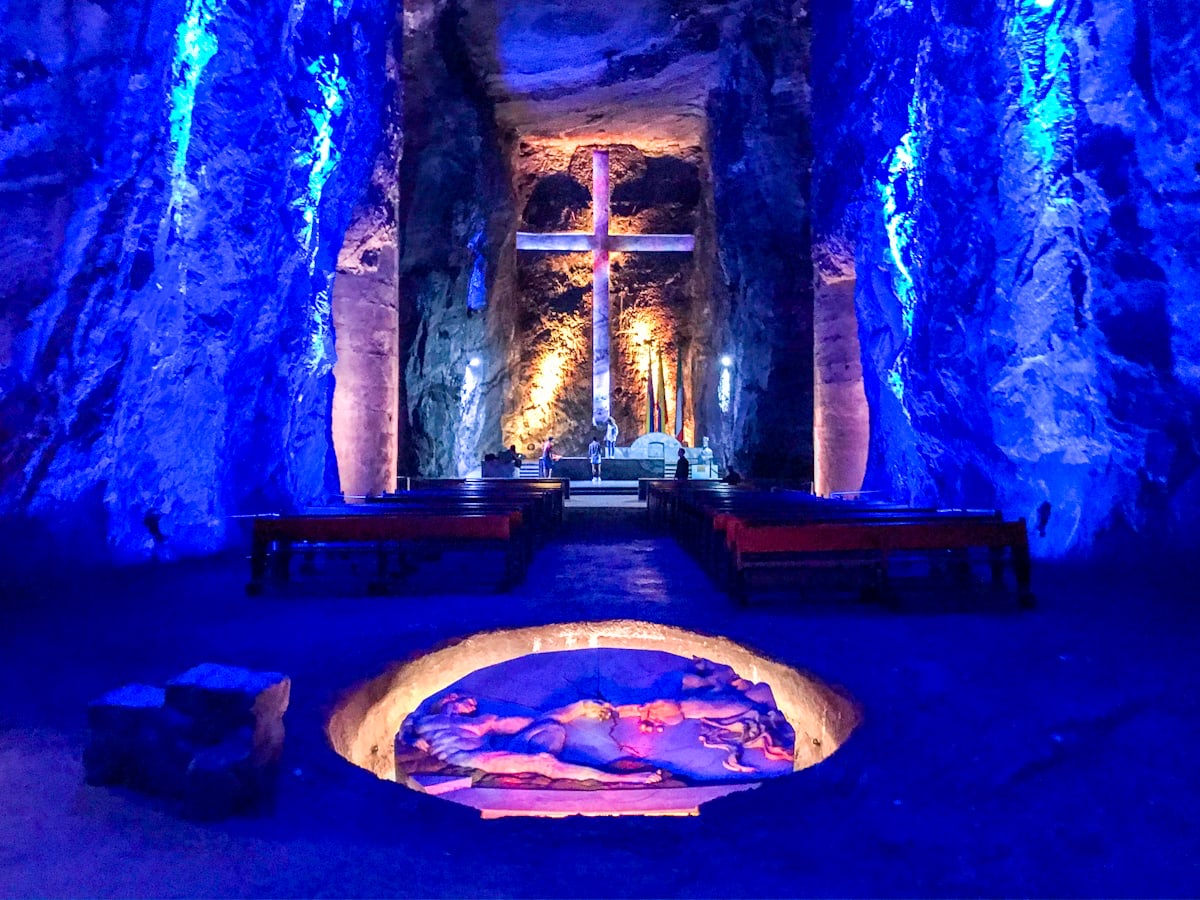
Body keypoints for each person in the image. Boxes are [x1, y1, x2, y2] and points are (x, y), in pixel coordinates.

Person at [403, 693, 663, 785]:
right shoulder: (422, 719)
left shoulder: (480, 722)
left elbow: (538, 721)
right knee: (543, 762)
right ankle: (620, 779)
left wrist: (579, 707)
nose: (472, 704)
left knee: (551, 727)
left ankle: (552, 760)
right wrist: (411, 738)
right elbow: (401, 726)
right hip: (467, 759)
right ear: (449, 699)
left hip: (484, 756)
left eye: (473, 703)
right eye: (466, 700)